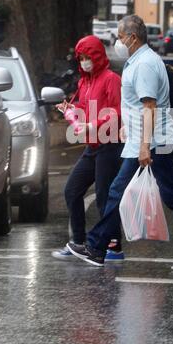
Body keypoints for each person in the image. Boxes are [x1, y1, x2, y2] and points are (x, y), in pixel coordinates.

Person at [67, 15, 173, 271]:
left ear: (132, 38)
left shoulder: (144, 64)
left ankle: (97, 246)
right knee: (147, 194)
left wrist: (145, 145)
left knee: (153, 195)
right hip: (145, 141)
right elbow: (137, 105)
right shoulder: (138, 61)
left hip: (153, 143)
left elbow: (149, 106)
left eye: (120, 37)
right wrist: (127, 128)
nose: (118, 42)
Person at [52, 35, 124, 262]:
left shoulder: (111, 79)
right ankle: (78, 242)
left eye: (87, 57)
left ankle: (113, 245)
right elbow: (84, 105)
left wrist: (93, 124)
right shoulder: (85, 81)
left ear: (97, 56)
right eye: (81, 58)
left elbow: (118, 111)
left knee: (104, 196)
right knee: (72, 190)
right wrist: (70, 108)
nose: (84, 61)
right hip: (92, 146)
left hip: (109, 144)